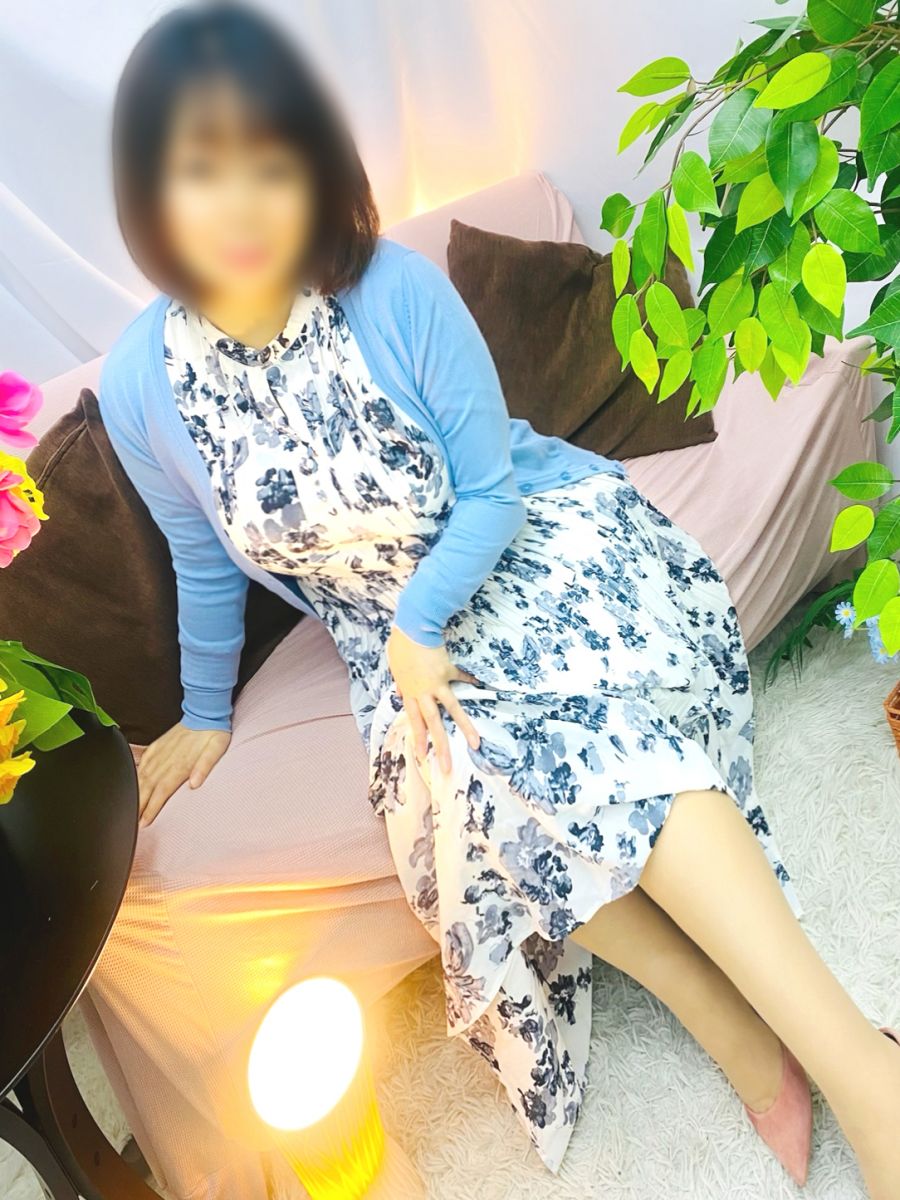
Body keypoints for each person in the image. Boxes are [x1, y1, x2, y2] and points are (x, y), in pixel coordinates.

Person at [99, 3, 900, 1194]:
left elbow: (488, 492)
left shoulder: (395, 293)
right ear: (151, 193)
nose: (241, 209)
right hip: (387, 638)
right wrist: (206, 712)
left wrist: (423, 624)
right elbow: (203, 556)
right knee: (473, 800)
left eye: (271, 166)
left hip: (528, 542)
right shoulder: (142, 382)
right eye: (200, 173)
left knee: (608, 743)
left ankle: (867, 1077)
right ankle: (733, 1029)